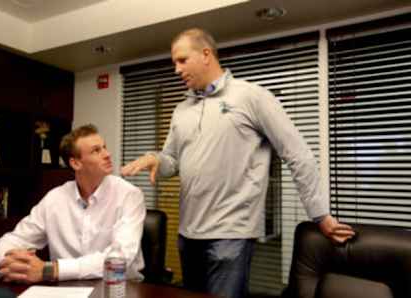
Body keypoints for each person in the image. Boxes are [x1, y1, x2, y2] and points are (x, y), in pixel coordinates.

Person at [121, 28, 355, 298]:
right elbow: (172, 162)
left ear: (206, 54)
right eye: (174, 62)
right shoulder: (181, 109)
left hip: (231, 234)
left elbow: (297, 153)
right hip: (188, 234)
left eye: (182, 60)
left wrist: (320, 214)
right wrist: (155, 159)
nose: (176, 69)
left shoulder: (251, 97)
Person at [0, 124, 146, 283]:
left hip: (118, 287)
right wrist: (9, 263)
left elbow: (119, 258)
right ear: (76, 163)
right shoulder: (55, 199)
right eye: (96, 150)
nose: (107, 154)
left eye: (104, 147)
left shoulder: (129, 195)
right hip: (65, 290)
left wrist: (51, 270)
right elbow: (14, 239)